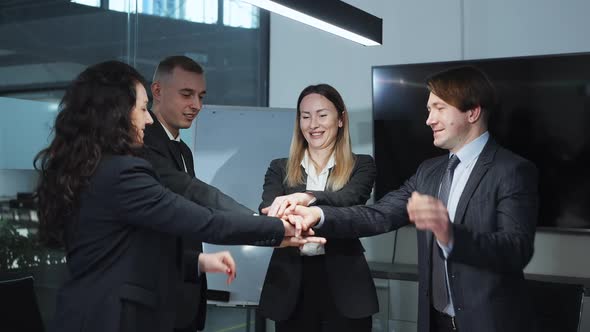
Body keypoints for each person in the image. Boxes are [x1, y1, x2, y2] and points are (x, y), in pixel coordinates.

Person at [34, 61, 315, 332]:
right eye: (143, 109)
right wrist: (279, 227)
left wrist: (197, 262)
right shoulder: (122, 172)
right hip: (110, 318)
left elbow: (122, 247)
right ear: (116, 114)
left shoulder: (92, 167)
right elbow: (205, 221)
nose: (147, 118)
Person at [285, 66, 538, 332]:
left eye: (439, 108)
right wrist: (319, 214)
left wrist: (450, 235)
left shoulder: (511, 170)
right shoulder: (429, 171)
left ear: (472, 112)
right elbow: (378, 214)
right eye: (429, 110)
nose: (429, 119)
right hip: (434, 323)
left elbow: (515, 249)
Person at [142, 55, 254, 331]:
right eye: (187, 94)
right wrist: (256, 220)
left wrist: (200, 261)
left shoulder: (183, 150)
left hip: (185, 294)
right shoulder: (144, 143)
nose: (197, 106)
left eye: (201, 96)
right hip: (157, 299)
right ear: (157, 91)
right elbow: (192, 192)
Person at [258, 84, 378, 332]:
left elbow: (350, 199)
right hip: (291, 283)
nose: (313, 124)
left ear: (341, 119)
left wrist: (306, 198)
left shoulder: (362, 165)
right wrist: (276, 212)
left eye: (322, 115)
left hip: (345, 285)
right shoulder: (279, 167)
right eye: (305, 116)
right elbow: (268, 208)